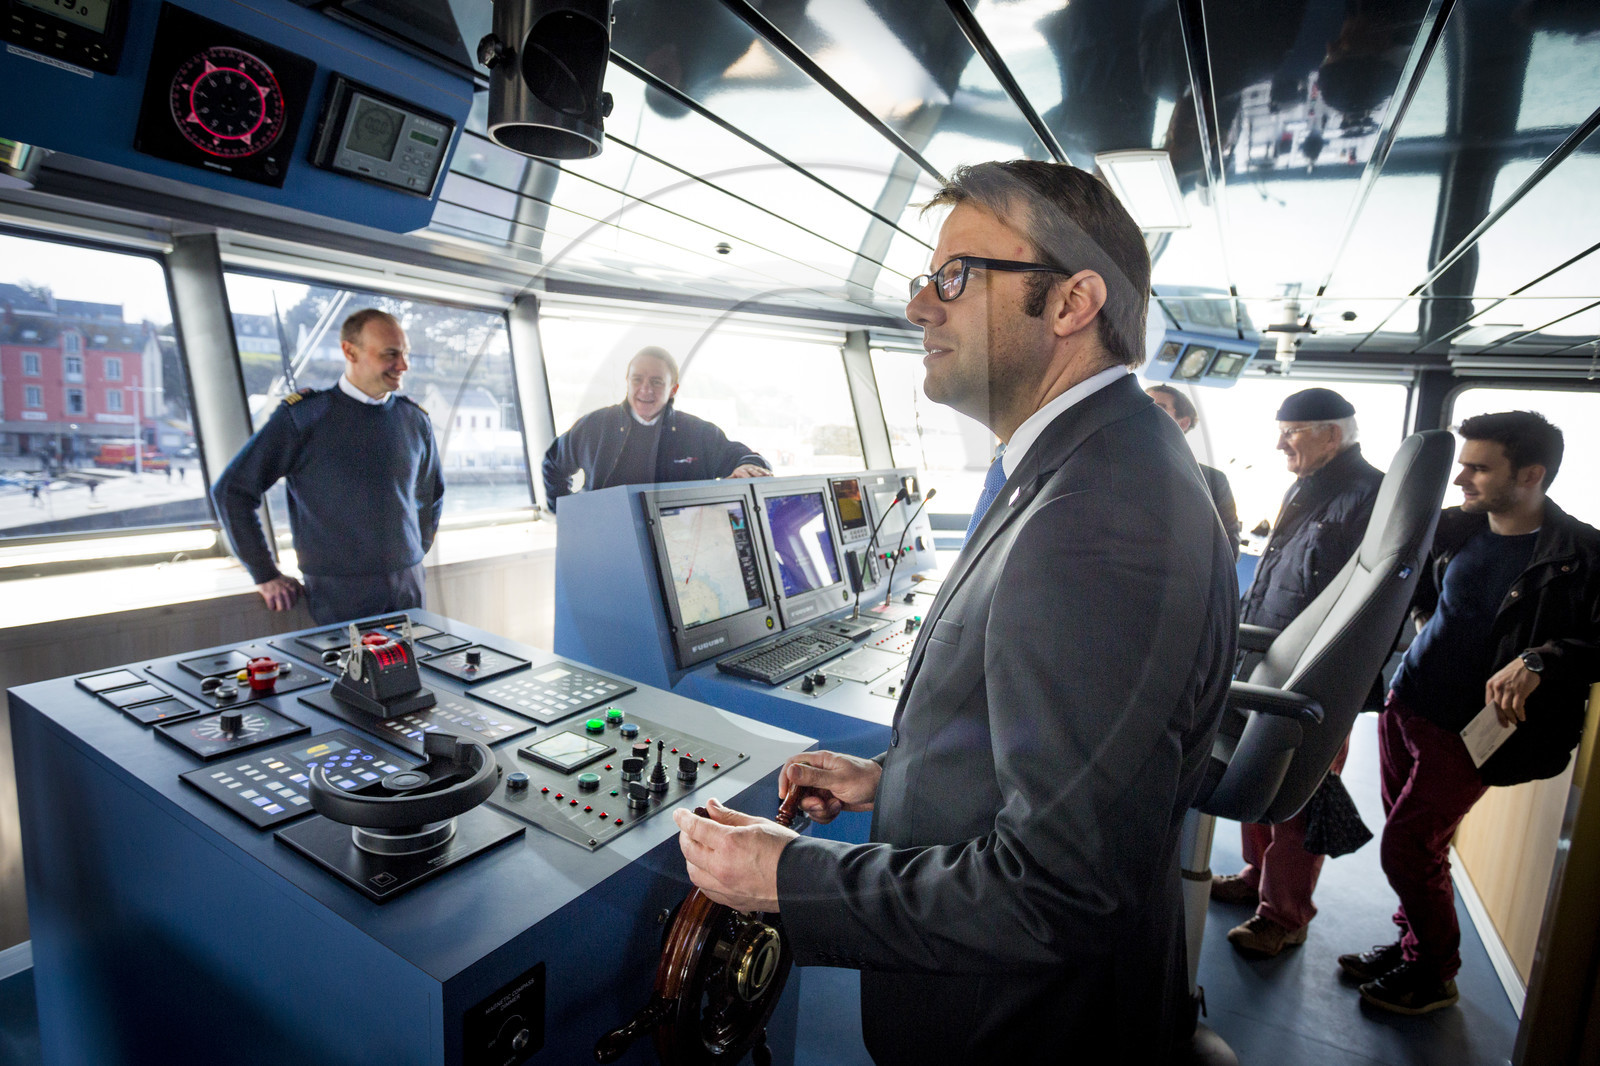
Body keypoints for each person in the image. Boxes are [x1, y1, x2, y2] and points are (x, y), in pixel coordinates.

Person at [671, 160, 1238, 1061]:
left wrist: (793, 878)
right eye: (924, 280)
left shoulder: (1097, 519)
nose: (919, 307)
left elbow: (1057, 891)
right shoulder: (1088, 466)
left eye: (955, 276)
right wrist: (895, 780)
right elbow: (1068, 770)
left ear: (1071, 303)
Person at [1341, 411, 1599, 1015]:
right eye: (1463, 465)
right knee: (1416, 846)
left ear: (1531, 474)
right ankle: (1413, 943)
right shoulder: (1457, 528)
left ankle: (1434, 972)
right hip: (1409, 704)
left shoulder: (1582, 554)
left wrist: (1542, 659)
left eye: (1479, 468)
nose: (1462, 479)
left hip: (1472, 734)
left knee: (1407, 847)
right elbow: (1429, 598)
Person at [1211, 387, 1383, 957]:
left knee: (1297, 796)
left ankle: (1284, 914)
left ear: (1332, 435)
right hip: (1269, 661)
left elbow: (1362, 608)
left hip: (1316, 680)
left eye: (1293, 431)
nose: (1280, 442)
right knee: (1253, 774)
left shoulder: (1369, 498)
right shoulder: (1309, 488)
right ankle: (1254, 878)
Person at [211, 308, 444, 626]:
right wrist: (265, 574)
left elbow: (431, 495)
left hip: (408, 585)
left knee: (412, 674)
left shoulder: (415, 420)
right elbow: (232, 491)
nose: (403, 365)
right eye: (391, 354)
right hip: (340, 593)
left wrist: (411, 551)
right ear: (350, 351)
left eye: (405, 354)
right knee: (346, 676)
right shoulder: (303, 418)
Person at [540, 346, 770, 511]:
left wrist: (749, 467)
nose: (645, 389)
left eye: (657, 381)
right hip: (607, 539)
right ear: (627, 382)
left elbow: (747, 458)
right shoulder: (594, 426)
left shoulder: (700, 433)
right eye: (637, 379)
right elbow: (553, 464)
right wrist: (567, 513)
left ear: (673, 389)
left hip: (677, 546)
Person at [1147, 383, 1242, 557]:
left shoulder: (1213, 481)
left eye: (1158, 409)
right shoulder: (1110, 466)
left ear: (1183, 423)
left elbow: (1229, 551)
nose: (1145, 414)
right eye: (1143, 406)